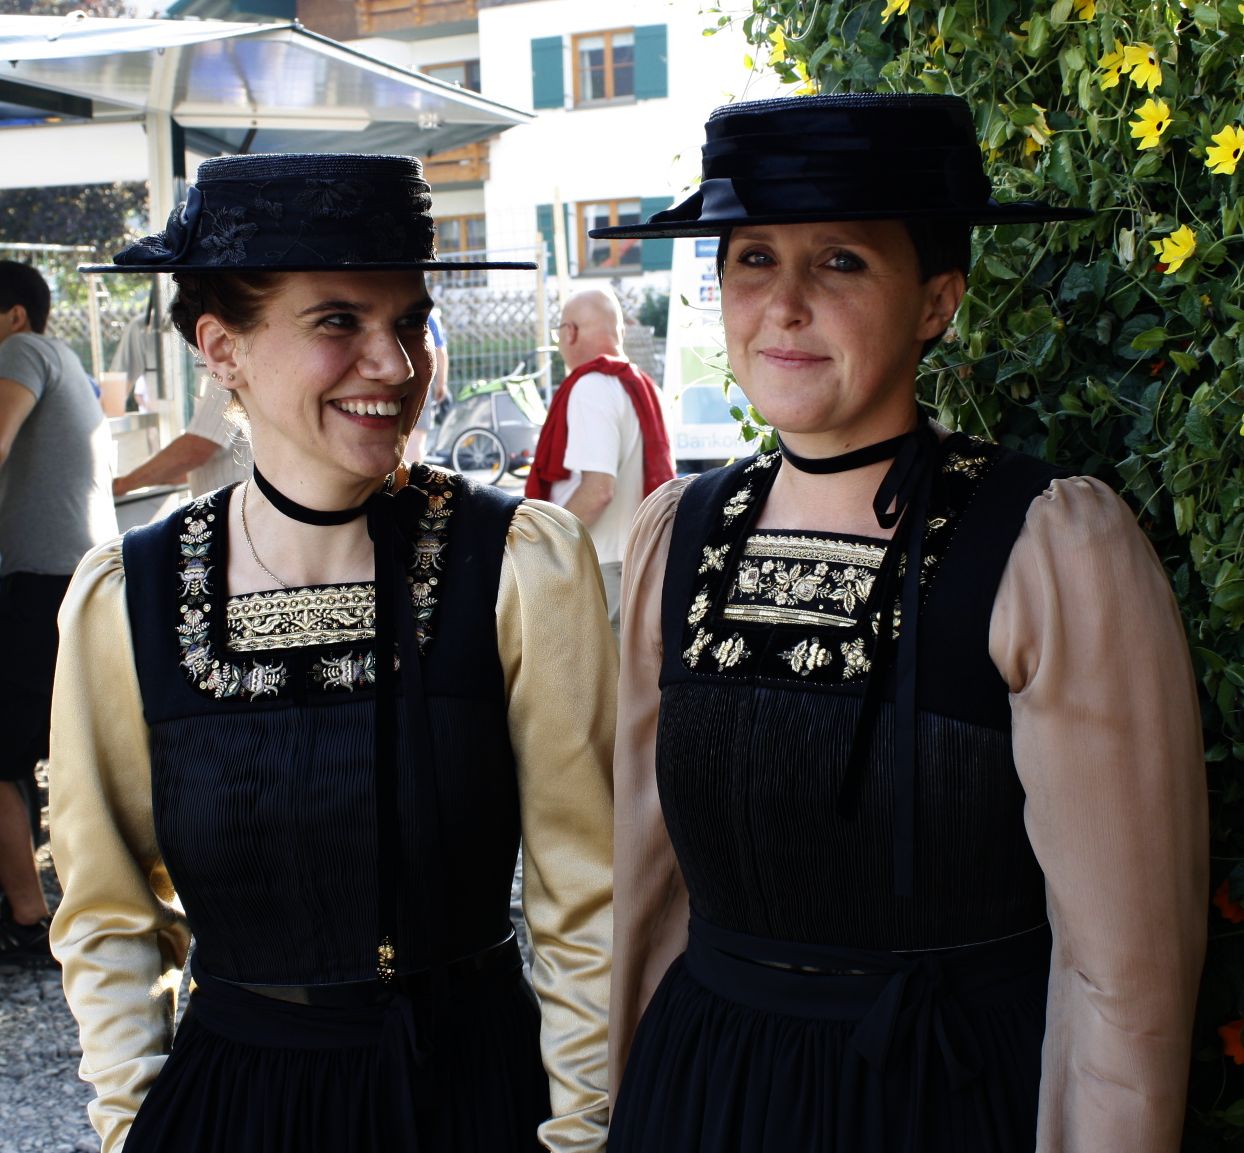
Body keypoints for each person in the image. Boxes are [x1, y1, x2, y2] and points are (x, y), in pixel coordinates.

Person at [596, 93, 1207, 1152]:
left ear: (936, 300)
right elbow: (648, 897)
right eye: (752, 260)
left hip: (939, 1098)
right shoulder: (678, 535)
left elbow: (1122, 979)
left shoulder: (1047, 547)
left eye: (839, 261)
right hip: (702, 1096)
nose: (783, 306)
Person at [48, 153, 613, 1153]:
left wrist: (579, 1131)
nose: (394, 365)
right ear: (222, 349)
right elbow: (108, 914)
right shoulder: (130, 594)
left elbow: (589, 902)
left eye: (409, 321)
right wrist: (134, 1122)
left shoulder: (517, 563)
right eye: (338, 321)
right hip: (234, 1108)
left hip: (468, 1098)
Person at [0, 260, 117, 968]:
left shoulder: (21, 350)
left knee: (5, 757)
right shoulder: (65, 357)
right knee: (65, 752)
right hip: (80, 579)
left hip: (40, 583)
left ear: (15, 314)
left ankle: (26, 917)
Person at [526, 287, 673, 631]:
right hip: (639, 561)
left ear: (570, 332)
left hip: (599, 564)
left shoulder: (591, 387)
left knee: (589, 666)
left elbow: (598, 491)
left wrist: (544, 544)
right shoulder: (646, 387)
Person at [112, 377, 251, 498]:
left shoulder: (227, 377)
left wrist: (123, 485)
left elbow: (194, 451)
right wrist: (163, 474)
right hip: (226, 506)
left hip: (231, 509)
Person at [406, 306, 448, 461]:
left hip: (397, 378)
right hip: (420, 381)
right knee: (417, 439)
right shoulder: (429, 315)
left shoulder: (396, 309)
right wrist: (441, 384)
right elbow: (440, 352)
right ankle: (412, 476)